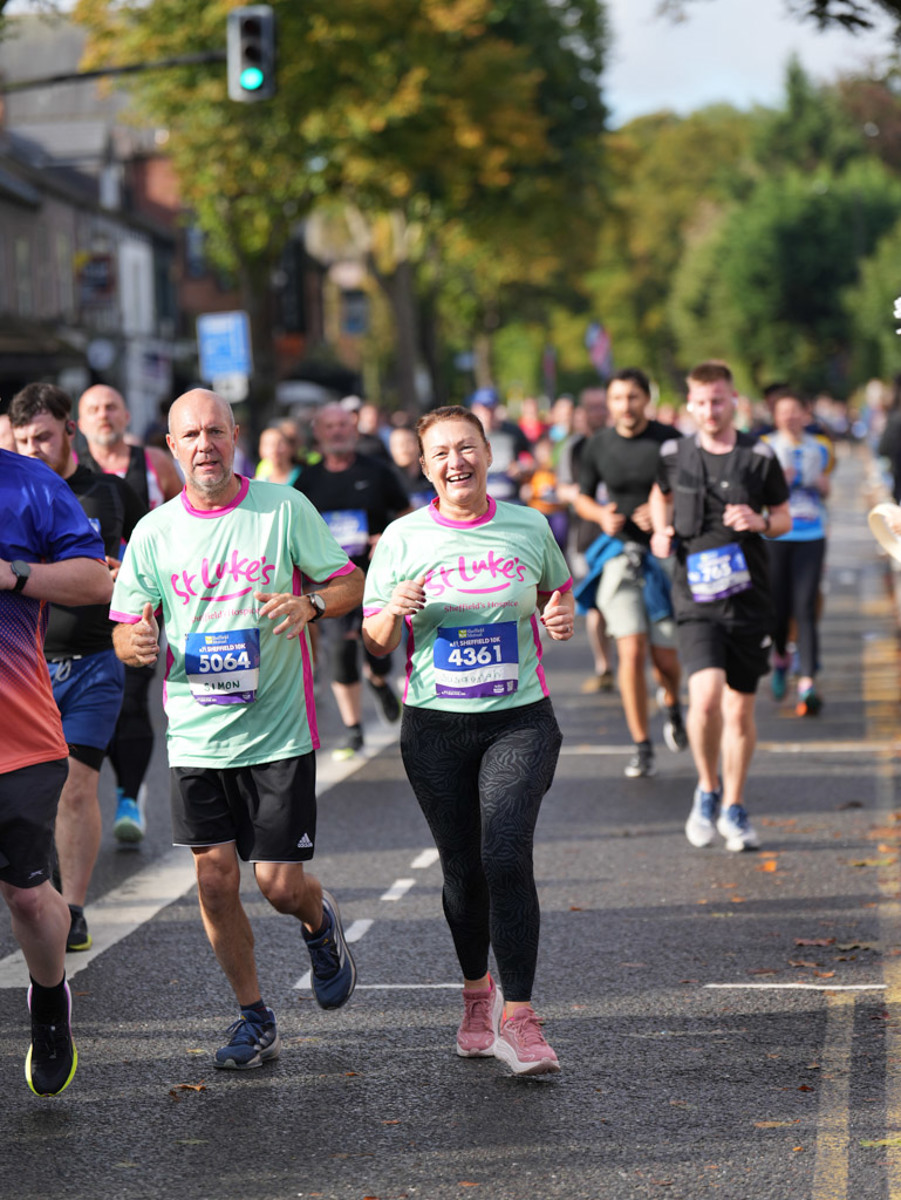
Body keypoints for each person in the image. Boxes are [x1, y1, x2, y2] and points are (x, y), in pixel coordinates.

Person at [110, 388, 364, 1070]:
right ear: (172, 447)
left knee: (279, 886)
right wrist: (134, 643)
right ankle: (254, 1018)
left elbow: (352, 582)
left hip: (278, 732)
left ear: (235, 436)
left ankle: (319, 921)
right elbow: (126, 625)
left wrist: (311, 604)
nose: (205, 446)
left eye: (216, 432)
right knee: (216, 881)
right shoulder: (155, 532)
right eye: (191, 435)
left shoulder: (283, 508)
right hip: (196, 735)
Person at [362, 405, 574, 1076]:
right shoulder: (402, 538)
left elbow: (557, 591)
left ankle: (521, 1018)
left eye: (467, 447)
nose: (456, 462)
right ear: (425, 467)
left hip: (519, 718)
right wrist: (393, 610)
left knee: (504, 851)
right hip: (435, 726)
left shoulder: (528, 526)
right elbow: (374, 639)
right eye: (441, 453)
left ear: (487, 453)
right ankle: (477, 996)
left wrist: (560, 614)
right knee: (462, 868)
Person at [9, 384, 146, 953]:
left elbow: (151, 554)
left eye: (43, 436)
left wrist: (124, 573)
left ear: (70, 430)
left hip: (93, 660)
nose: (33, 449)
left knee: (76, 785)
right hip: (27, 670)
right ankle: (41, 886)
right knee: (32, 797)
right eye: (22, 440)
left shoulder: (108, 491)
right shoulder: (14, 491)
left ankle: (74, 907)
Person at [0, 446, 112, 1096]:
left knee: (24, 895)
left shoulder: (29, 485)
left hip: (16, 733)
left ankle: (48, 999)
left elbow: (95, 581)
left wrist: (13, 575)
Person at [650, 361, 791, 852]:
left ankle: (734, 803)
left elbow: (784, 518)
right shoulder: (674, 453)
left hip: (748, 599)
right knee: (706, 697)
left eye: (718, 401)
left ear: (733, 401)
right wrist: (661, 530)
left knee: (739, 710)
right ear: (690, 404)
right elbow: (660, 495)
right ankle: (707, 789)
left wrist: (759, 520)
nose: (710, 411)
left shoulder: (759, 455)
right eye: (702, 402)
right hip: (695, 597)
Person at [78, 384, 182, 844]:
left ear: (126, 415)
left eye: (112, 407)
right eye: (94, 409)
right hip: (81, 607)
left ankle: (128, 795)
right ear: (79, 423)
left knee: (132, 698)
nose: (104, 415)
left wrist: (140, 568)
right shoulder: (68, 472)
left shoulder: (155, 463)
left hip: (143, 603)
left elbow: (184, 522)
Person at [573, 369, 686, 779]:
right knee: (631, 649)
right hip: (619, 555)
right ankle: (642, 745)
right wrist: (602, 515)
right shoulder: (597, 444)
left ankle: (672, 703)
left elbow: (691, 492)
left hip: (664, 554)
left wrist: (663, 512)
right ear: (609, 403)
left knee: (665, 658)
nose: (626, 405)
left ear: (646, 400)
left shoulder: (670, 440)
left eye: (633, 397)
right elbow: (582, 498)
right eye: (618, 398)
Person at [295, 403, 411, 760]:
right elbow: (293, 531)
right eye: (329, 426)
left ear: (354, 429)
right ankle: (353, 729)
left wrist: (387, 537)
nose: (336, 432)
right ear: (318, 434)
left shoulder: (377, 471)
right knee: (341, 651)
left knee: (376, 650)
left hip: (376, 576)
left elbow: (406, 514)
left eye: (343, 425)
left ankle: (379, 681)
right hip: (331, 583)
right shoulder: (306, 481)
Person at [761, 389, 834, 715]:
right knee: (778, 609)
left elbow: (827, 488)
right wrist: (777, 482)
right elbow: (754, 492)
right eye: (784, 412)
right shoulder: (765, 447)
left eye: (796, 411)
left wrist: (822, 486)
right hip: (777, 535)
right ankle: (780, 658)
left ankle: (807, 682)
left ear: (806, 414)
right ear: (775, 416)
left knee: (805, 607)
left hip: (811, 533)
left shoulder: (821, 447)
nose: (790, 417)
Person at [556, 387, 614, 693]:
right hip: (587, 534)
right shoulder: (574, 447)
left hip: (622, 531)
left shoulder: (621, 441)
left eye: (602, 407)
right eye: (591, 407)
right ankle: (604, 667)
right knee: (597, 603)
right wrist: (586, 498)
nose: (597, 413)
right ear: (582, 413)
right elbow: (562, 488)